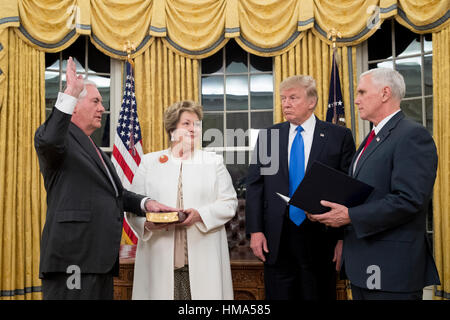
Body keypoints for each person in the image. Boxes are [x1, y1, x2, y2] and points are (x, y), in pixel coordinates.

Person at [34, 57, 175, 300]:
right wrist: (70, 91)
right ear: (74, 106)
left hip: (98, 258)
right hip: (74, 258)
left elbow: (115, 194)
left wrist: (146, 203)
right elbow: (48, 140)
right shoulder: (59, 139)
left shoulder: (94, 147)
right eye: (96, 101)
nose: (102, 108)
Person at [308, 68, 440, 300]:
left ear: (385, 93)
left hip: (392, 270)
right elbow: (362, 194)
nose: (356, 100)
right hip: (362, 266)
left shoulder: (412, 135)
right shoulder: (371, 138)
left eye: (361, 92)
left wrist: (350, 216)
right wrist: (326, 210)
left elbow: (409, 200)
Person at [245, 75, 356, 300]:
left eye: (293, 98)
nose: (286, 103)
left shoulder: (339, 136)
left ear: (311, 101)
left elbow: (347, 189)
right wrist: (255, 231)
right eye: (284, 98)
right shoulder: (269, 136)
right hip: (277, 235)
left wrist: (344, 239)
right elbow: (255, 186)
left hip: (321, 234)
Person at [126, 100, 238, 300]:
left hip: (202, 255)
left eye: (196, 124)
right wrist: (147, 225)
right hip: (159, 257)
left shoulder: (213, 162)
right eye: (186, 123)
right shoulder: (149, 162)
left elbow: (229, 204)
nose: (193, 128)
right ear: (172, 129)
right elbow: (133, 207)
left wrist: (200, 215)